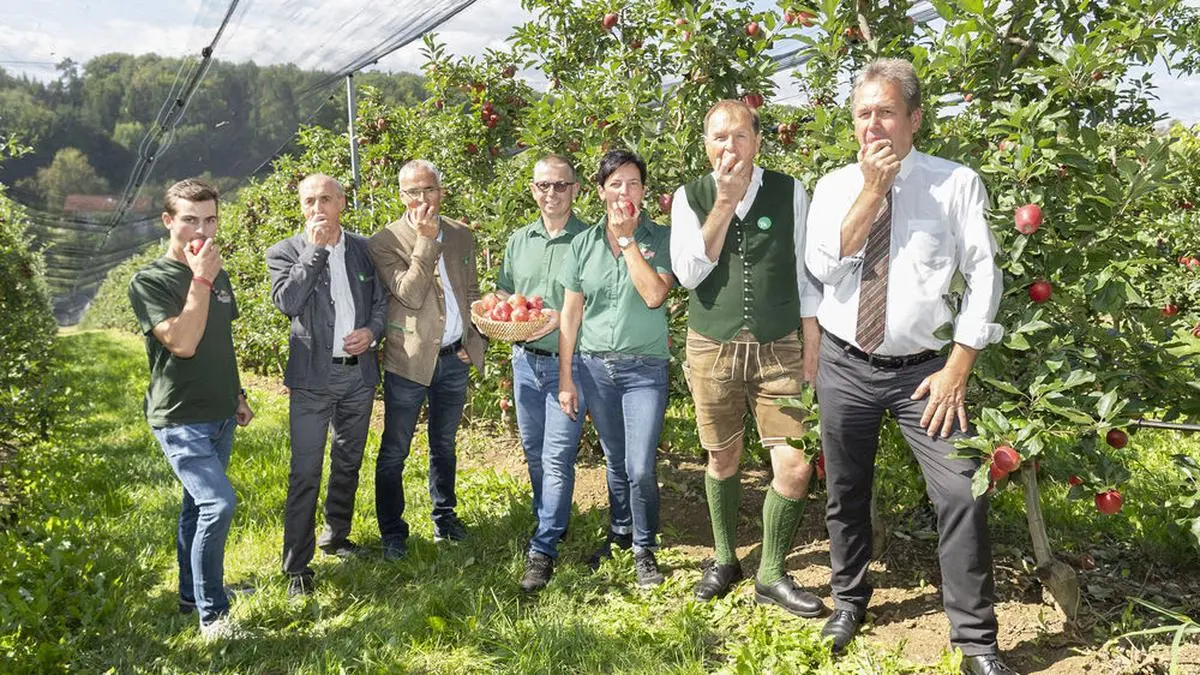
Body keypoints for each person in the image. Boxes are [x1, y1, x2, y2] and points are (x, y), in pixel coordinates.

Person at [805, 58, 1010, 675]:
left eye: (887, 112)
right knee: (844, 489)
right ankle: (849, 600)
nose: (874, 125)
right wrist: (872, 190)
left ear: (914, 119)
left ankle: (976, 641)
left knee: (961, 493)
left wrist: (959, 366)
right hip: (845, 361)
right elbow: (824, 266)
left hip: (927, 372)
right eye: (864, 114)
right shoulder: (836, 186)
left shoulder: (955, 183)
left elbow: (983, 275)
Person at [669, 99, 826, 618]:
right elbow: (689, 274)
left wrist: (811, 343)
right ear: (705, 145)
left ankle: (772, 572)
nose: (729, 147)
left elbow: (806, 272)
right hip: (711, 344)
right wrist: (723, 202)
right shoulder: (689, 198)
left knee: (797, 464)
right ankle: (723, 558)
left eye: (739, 136)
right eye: (719, 137)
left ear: (758, 140)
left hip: (778, 344)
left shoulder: (789, 190)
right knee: (722, 456)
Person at [128, 178, 254, 640]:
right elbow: (182, 343)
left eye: (210, 219)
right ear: (168, 221)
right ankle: (213, 616)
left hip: (220, 411)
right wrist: (200, 277)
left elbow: (222, 339)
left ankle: (190, 593)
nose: (202, 228)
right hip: (180, 417)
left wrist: (237, 393)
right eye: (190, 219)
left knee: (194, 507)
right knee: (218, 505)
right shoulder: (150, 281)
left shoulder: (217, 272)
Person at [265, 174, 386, 597]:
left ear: (342, 204)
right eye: (309, 201)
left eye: (326, 200)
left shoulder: (364, 249)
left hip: (357, 373)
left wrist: (372, 331)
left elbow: (381, 302)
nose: (317, 208)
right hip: (313, 380)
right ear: (301, 207)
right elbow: (287, 302)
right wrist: (315, 251)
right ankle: (297, 565)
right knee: (305, 472)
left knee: (348, 459)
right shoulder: (285, 252)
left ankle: (336, 534)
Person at [557, 149, 674, 588]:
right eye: (616, 183)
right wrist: (567, 377)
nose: (625, 191)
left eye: (634, 183)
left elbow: (654, 296)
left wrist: (627, 242)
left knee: (640, 465)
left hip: (644, 369)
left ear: (644, 191)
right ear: (601, 190)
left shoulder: (658, 239)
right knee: (615, 459)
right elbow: (570, 316)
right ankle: (621, 532)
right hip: (594, 367)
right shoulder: (583, 244)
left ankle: (645, 546)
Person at [368, 159, 486, 561]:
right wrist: (424, 241)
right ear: (401, 196)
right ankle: (393, 532)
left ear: (441, 190)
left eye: (429, 190)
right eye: (413, 192)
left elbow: (470, 292)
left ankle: (444, 516)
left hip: (454, 356)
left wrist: (476, 339)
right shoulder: (385, 241)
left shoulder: (461, 234)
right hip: (410, 361)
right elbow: (410, 294)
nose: (422, 199)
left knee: (444, 444)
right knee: (395, 449)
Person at [493, 155, 591, 593]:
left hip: (569, 366)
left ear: (574, 189)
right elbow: (505, 289)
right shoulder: (519, 239)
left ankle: (543, 548)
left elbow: (601, 303)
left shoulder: (590, 239)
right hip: (524, 360)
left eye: (559, 185)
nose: (550, 193)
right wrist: (496, 307)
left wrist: (562, 319)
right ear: (532, 190)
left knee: (556, 456)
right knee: (534, 452)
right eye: (542, 186)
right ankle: (549, 521)